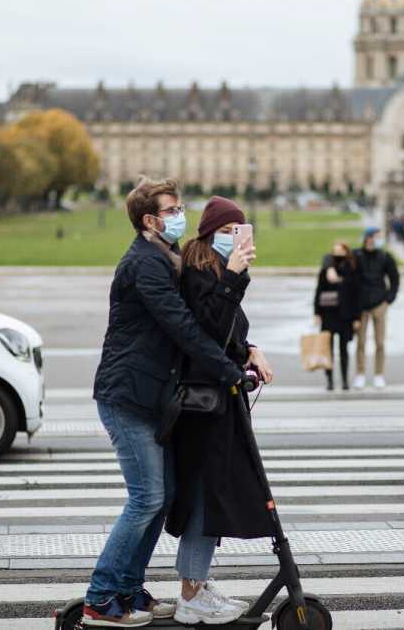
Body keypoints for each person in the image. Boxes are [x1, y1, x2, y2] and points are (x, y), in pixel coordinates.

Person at [85, 178, 245, 628]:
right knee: (146, 498)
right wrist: (227, 369)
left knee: (163, 495)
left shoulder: (164, 257)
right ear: (150, 220)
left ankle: (130, 588)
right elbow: (182, 327)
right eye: (172, 209)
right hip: (127, 396)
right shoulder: (146, 265)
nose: (181, 215)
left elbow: (200, 319)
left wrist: (245, 351)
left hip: (148, 397)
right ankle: (101, 596)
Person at [164, 195, 276, 625]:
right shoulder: (198, 272)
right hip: (202, 404)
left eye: (241, 231)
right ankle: (191, 594)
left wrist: (250, 350)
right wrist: (234, 276)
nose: (236, 238)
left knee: (211, 494)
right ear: (211, 234)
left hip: (219, 399)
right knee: (204, 496)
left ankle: (196, 583)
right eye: (230, 231)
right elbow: (208, 326)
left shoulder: (213, 269)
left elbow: (228, 331)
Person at [353, 227, 399, 390]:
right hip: (361, 306)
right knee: (361, 342)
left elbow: (394, 278)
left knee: (380, 342)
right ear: (368, 238)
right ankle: (360, 374)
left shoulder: (385, 256)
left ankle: (379, 374)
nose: (379, 239)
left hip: (379, 304)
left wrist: (389, 299)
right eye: (376, 236)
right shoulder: (356, 255)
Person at [313, 241, 361, 391]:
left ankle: (345, 380)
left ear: (346, 252)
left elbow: (356, 295)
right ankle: (330, 380)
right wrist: (316, 313)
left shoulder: (352, 268)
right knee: (328, 349)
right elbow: (319, 291)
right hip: (328, 314)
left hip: (345, 315)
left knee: (344, 349)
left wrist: (357, 318)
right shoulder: (327, 269)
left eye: (341, 251)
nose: (338, 254)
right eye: (335, 251)